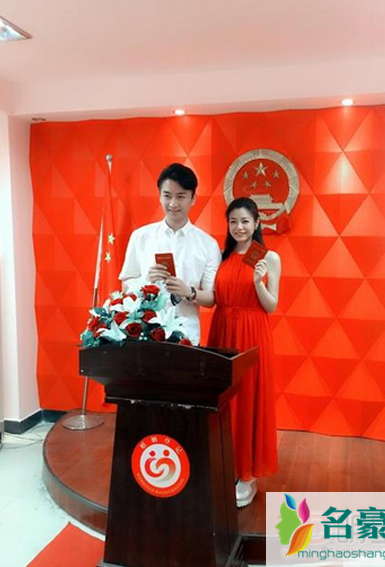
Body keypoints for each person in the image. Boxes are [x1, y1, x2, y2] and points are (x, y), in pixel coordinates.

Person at [208, 197, 281, 507]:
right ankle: (225, 465)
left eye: (245, 221)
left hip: (251, 334)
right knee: (224, 400)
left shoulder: (266, 256)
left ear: (257, 223)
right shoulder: (222, 255)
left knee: (249, 397)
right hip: (222, 329)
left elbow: (271, 305)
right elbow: (214, 297)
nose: (239, 227)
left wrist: (258, 283)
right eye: (233, 221)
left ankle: (246, 475)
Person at [119, 163, 221, 345]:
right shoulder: (141, 237)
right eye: (167, 196)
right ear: (159, 196)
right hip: (145, 335)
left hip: (187, 337)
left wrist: (189, 292)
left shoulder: (208, 245)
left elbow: (211, 298)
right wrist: (146, 280)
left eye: (180, 196)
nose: (173, 204)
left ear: (193, 198)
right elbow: (126, 286)